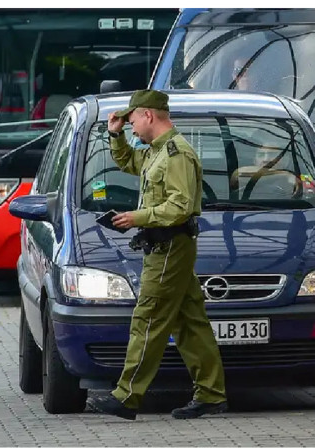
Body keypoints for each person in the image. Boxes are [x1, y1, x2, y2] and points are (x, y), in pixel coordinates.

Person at [87, 89, 228, 420]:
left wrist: (136, 218)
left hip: (169, 247)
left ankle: (127, 396)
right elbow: (126, 161)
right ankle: (211, 393)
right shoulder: (155, 152)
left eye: (133, 118)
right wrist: (115, 134)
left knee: (148, 318)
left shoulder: (177, 154)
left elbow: (180, 205)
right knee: (190, 320)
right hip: (164, 246)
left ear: (148, 115)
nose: (132, 125)